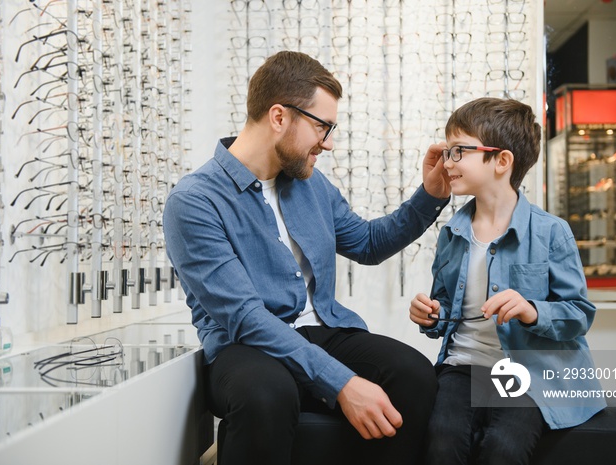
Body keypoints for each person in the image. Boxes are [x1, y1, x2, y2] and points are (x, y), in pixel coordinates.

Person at [163, 50, 451, 465]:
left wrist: (431, 196)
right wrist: (341, 383)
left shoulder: (311, 185)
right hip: (246, 344)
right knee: (265, 395)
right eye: (323, 126)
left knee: (414, 375)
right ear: (279, 117)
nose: (329, 142)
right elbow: (245, 317)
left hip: (325, 328)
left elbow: (368, 243)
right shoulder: (194, 202)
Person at [409, 97, 606, 465]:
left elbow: (579, 314)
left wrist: (532, 311)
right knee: (440, 441)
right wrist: (430, 315)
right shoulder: (452, 232)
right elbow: (444, 309)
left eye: (458, 151)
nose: (447, 162)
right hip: (462, 367)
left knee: (504, 447)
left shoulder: (552, 232)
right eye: (447, 151)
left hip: (529, 373)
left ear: (501, 161)